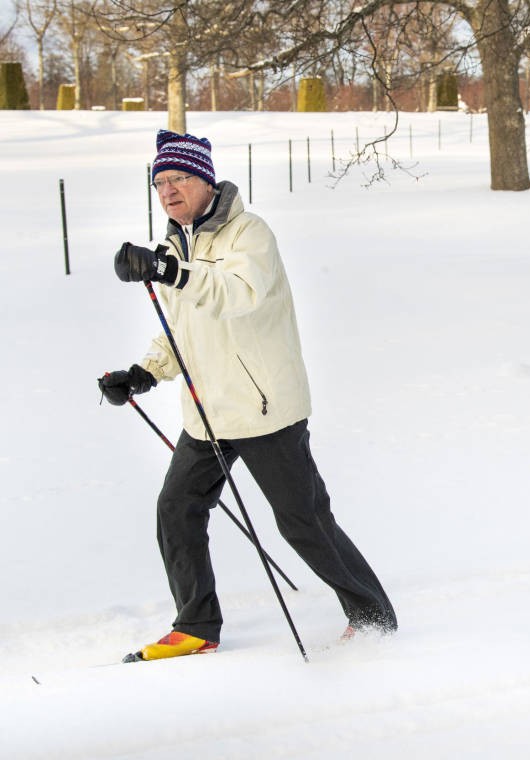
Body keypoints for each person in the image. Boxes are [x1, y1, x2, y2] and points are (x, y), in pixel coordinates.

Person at [99, 130, 397, 661]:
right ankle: (196, 626)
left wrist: (168, 268)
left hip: (264, 409)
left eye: (178, 179)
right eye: (159, 182)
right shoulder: (177, 244)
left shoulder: (248, 234)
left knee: (303, 520)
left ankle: (372, 614)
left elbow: (238, 295)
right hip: (207, 412)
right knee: (178, 507)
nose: (167, 191)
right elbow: (182, 325)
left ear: (205, 180)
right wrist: (143, 373)